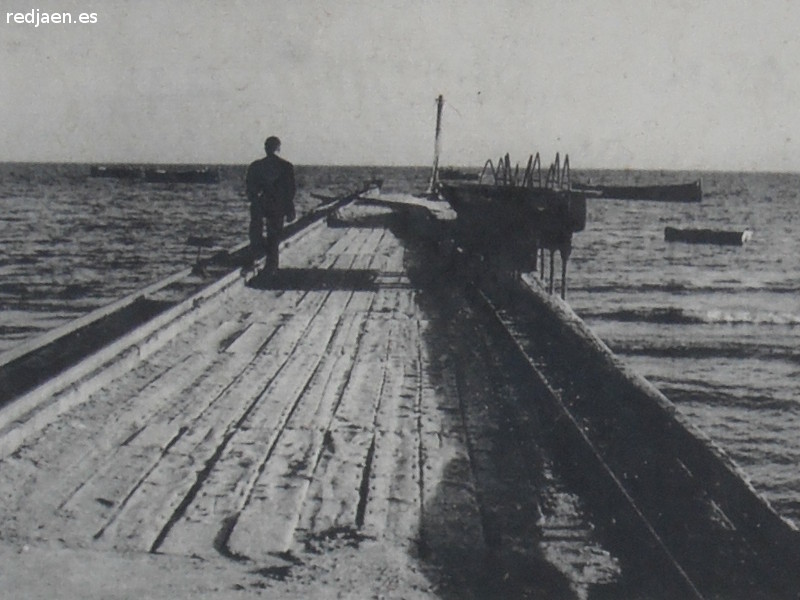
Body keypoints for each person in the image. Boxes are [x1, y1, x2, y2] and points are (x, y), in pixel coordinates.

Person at [245, 136, 296, 273]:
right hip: (277, 205)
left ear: (265, 148)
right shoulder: (286, 166)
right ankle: (271, 267)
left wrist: (255, 202)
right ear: (278, 148)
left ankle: (255, 257)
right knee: (274, 237)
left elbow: (250, 189)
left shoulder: (255, 166)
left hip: (260, 204)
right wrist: (289, 208)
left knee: (256, 232)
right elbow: (290, 191)